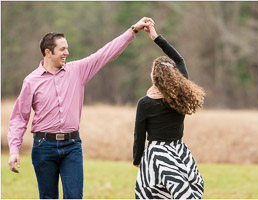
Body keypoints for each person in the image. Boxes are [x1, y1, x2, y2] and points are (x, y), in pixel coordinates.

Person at [6, 17, 154, 199]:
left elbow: (104, 53)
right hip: (43, 146)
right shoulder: (31, 81)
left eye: (67, 48)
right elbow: (19, 118)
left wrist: (133, 31)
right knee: (47, 197)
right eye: (62, 49)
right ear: (48, 52)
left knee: (75, 197)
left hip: (72, 146)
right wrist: (14, 151)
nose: (67, 52)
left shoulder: (77, 71)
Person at [132, 22, 206, 199]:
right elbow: (179, 60)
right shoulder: (181, 94)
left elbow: (139, 134)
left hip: (157, 154)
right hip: (179, 151)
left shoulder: (145, 103)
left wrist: (137, 160)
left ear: (154, 77)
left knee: (156, 194)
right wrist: (156, 37)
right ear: (175, 75)